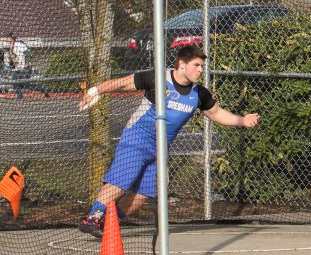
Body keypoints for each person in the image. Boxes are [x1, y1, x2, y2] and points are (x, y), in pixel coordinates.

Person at [78, 44, 259, 237]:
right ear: (181, 64)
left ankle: (109, 223)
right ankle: (93, 217)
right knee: (120, 182)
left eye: (201, 66)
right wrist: (95, 91)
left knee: (142, 196)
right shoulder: (159, 78)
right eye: (196, 65)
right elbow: (124, 83)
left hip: (160, 149)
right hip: (137, 138)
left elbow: (216, 113)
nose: (200, 70)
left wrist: (242, 120)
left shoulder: (199, 94)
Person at [6, 34, 50, 100]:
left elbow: (28, 52)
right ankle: (19, 96)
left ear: (12, 38)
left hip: (25, 68)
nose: (7, 40)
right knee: (14, 81)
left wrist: (27, 62)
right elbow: (14, 58)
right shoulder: (11, 46)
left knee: (26, 84)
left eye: (8, 38)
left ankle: (44, 89)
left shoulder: (19, 44)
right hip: (17, 68)